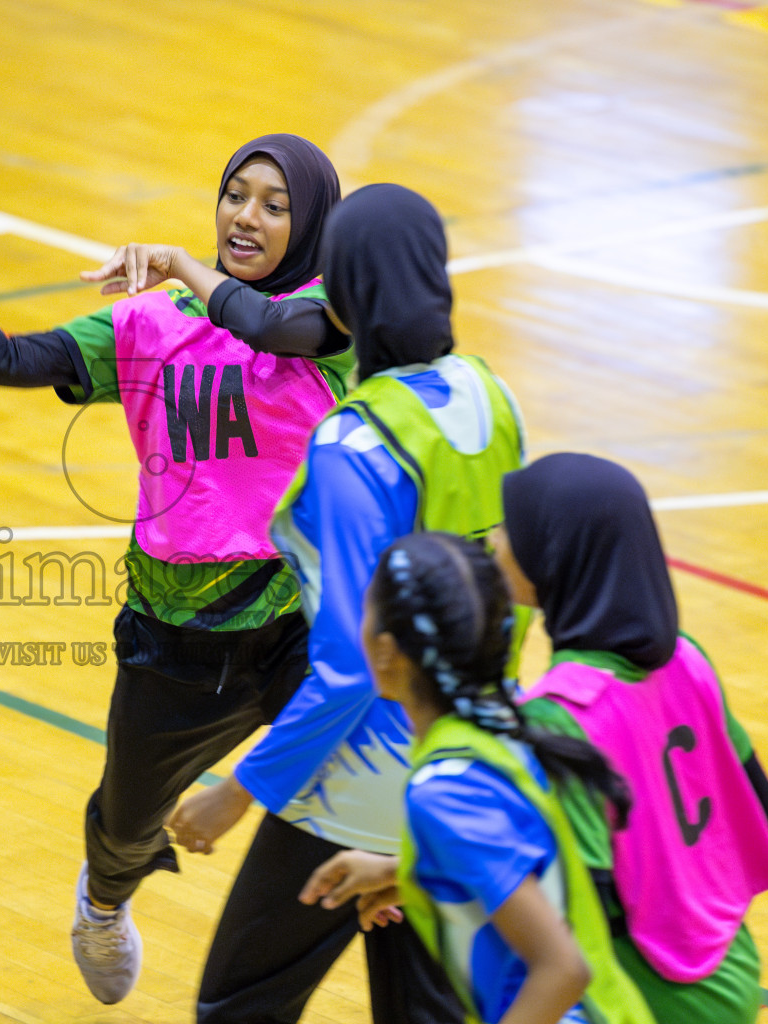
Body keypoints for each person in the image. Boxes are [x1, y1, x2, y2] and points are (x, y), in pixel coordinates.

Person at [0, 134, 351, 1004]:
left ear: (313, 222)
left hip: (298, 626)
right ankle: (103, 902)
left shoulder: (330, 323)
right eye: (235, 195)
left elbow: (265, 322)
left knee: (375, 771)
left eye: (274, 203)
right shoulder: (150, 325)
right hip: (173, 638)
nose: (246, 217)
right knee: (125, 823)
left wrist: (184, 266)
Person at [169, 183, 524, 1023]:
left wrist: (238, 789)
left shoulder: (354, 446)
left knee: (240, 1002)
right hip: (467, 767)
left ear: (348, 291)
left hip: (361, 784)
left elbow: (350, 666)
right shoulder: (490, 396)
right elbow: (516, 596)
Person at [300, 531, 657, 1024]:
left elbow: (561, 970)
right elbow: (528, 859)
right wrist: (404, 871)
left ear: (385, 650)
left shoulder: (446, 789)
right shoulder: (504, 733)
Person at [493, 453, 768, 1023]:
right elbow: (765, 811)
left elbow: (584, 905)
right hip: (730, 969)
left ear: (553, 555)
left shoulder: (560, 714)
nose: (497, 543)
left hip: (645, 998)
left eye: (510, 530)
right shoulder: (687, 658)